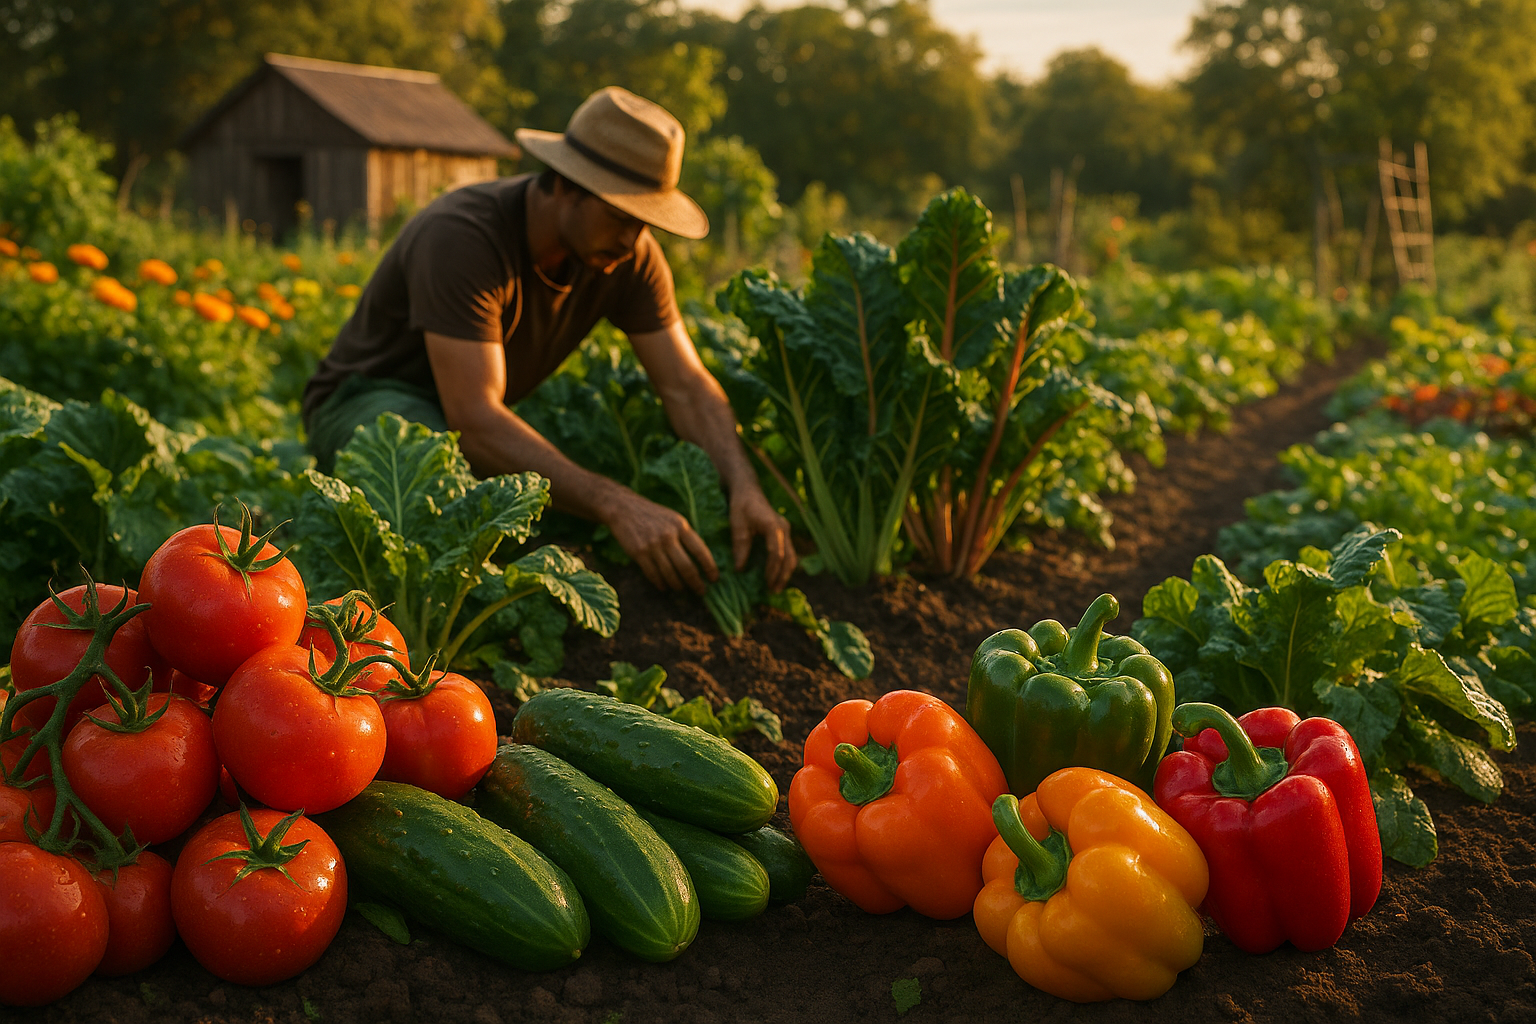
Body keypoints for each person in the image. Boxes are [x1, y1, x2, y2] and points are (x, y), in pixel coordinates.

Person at [301, 86, 795, 595]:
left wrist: (744, 484)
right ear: (566, 185)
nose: (633, 239)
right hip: (368, 403)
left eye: (645, 222)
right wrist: (614, 503)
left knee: (552, 501)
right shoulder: (464, 236)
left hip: (471, 413)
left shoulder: (629, 255)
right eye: (621, 216)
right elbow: (473, 420)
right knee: (447, 508)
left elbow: (686, 385)